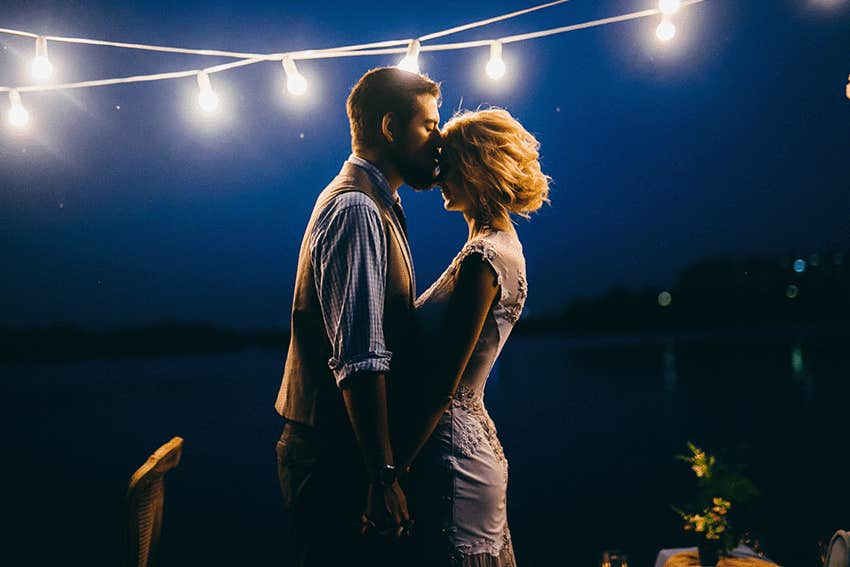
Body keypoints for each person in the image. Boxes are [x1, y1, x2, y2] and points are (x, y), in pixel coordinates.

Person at [273, 67, 441, 567]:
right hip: (333, 458)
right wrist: (382, 476)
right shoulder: (357, 210)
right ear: (390, 127)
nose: (439, 141)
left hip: (341, 452)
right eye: (429, 126)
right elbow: (361, 359)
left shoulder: (375, 204)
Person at [393, 108, 551, 567]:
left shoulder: (483, 259)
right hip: (466, 444)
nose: (438, 175)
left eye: (450, 163)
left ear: (478, 168)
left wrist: (388, 473)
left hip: (452, 458)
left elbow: (443, 384)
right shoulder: (501, 246)